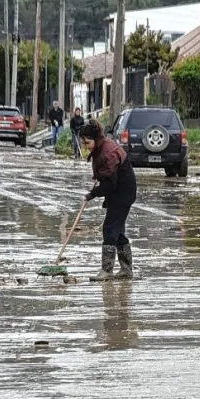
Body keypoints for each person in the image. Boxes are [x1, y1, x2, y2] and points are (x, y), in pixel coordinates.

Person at [78, 120, 137, 280]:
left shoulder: (107, 153)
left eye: (87, 143)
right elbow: (106, 176)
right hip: (119, 192)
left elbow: (110, 183)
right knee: (116, 231)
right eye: (83, 143)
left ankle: (107, 271)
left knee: (109, 229)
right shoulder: (101, 148)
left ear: (96, 139)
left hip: (123, 193)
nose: (85, 146)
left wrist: (93, 194)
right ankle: (126, 270)